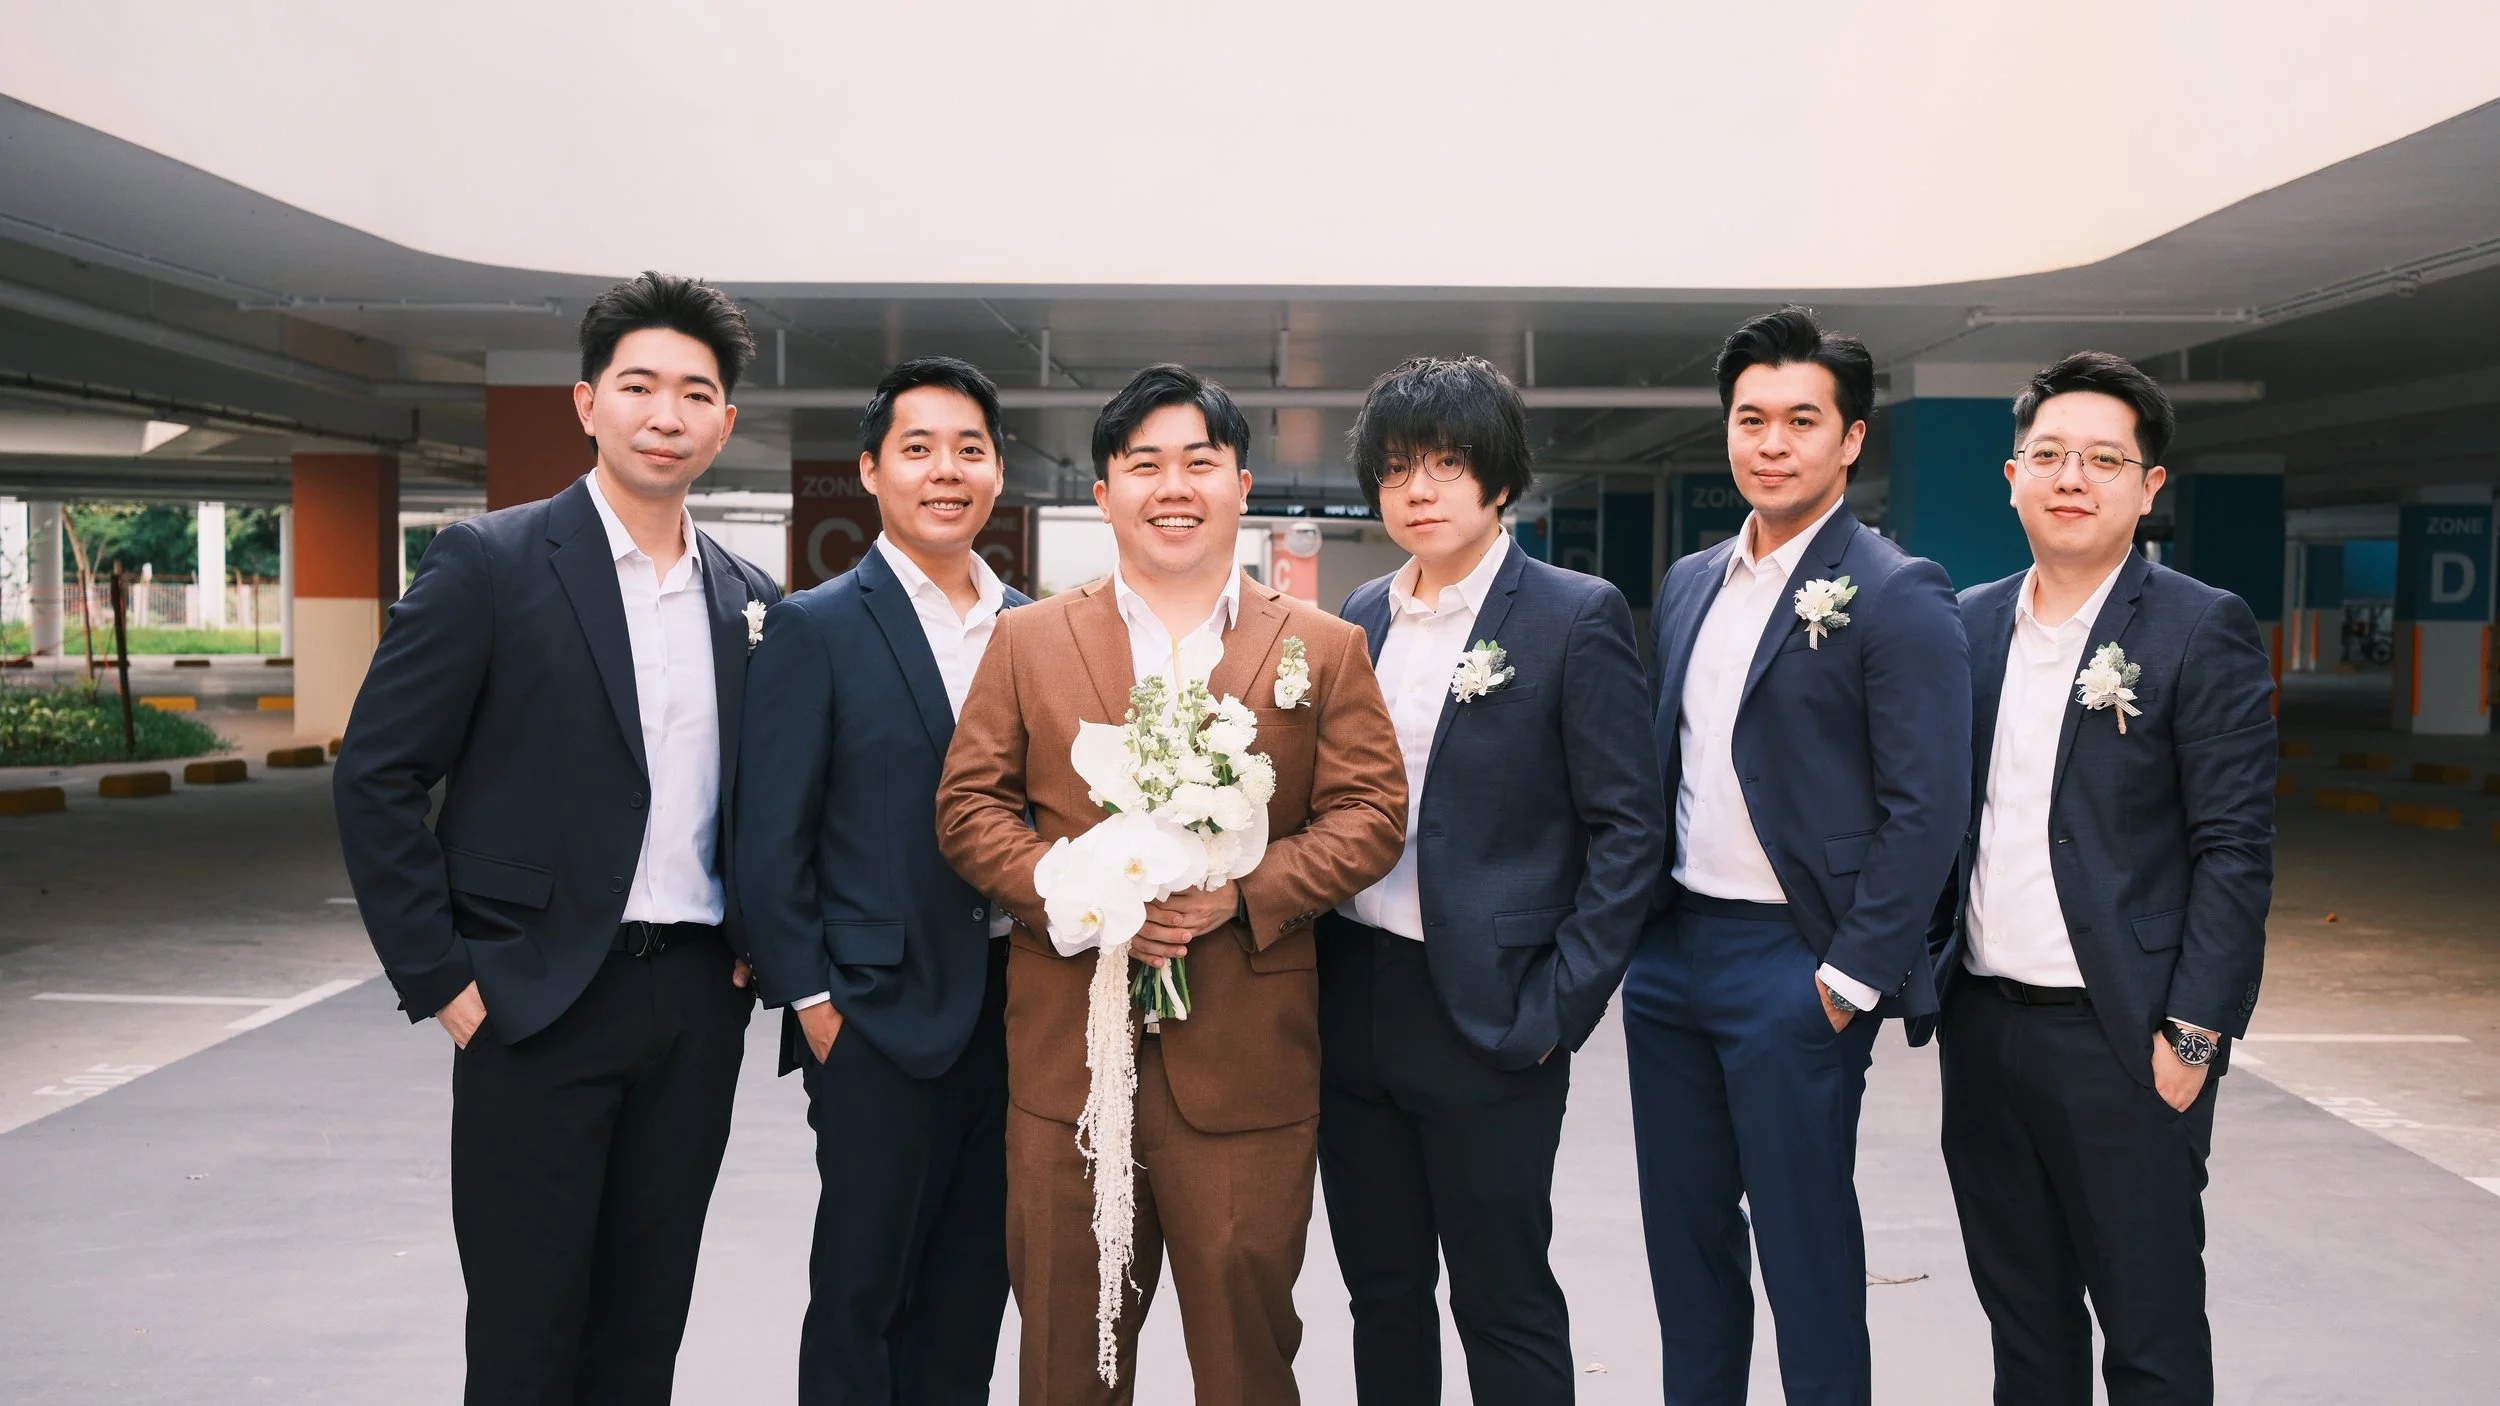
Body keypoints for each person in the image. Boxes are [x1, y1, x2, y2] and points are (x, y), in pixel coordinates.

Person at [333, 271, 779, 1405]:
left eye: (694, 392)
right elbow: (379, 773)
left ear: (725, 422)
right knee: (528, 1338)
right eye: (639, 386)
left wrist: (757, 946)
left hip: (691, 1002)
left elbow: (773, 796)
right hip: (530, 1001)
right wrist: (444, 978)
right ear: (587, 403)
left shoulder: (751, 598)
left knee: (642, 1332)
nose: (664, 413)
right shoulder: (488, 564)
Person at [935, 363, 1406, 1406]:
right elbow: (969, 808)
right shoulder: (1028, 640)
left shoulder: (1320, 648)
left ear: (1243, 485)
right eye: (1142, 463)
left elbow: (1371, 813)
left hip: (1246, 1065)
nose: (1173, 485)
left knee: (1245, 1353)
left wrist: (1243, 890)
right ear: (1102, 493)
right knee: (1069, 1352)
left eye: (1200, 460)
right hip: (1070, 1067)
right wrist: (1077, 888)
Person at [1624, 307, 1971, 1405]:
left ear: (1850, 439)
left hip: (1796, 963)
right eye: (1750, 418)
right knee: (1684, 1248)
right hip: (1674, 955)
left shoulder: (1895, 587)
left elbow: (1929, 805)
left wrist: (1848, 978)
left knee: (1804, 1250)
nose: (1771, 443)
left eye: (1800, 421)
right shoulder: (1688, 581)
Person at [1921, 352, 2272, 1405]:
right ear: (2012, 474)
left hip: (2125, 1041)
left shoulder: (2198, 625)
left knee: (2149, 1329)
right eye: (2050, 455)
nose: (2072, 476)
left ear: (2147, 486)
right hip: (1983, 1030)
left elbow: (2233, 846)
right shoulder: (1969, 621)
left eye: (2103, 459)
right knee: (2022, 1326)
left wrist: (2194, 1035)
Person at [1322, 356, 1666, 1405]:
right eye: (1394, 470)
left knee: (1500, 1292)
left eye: (1445, 464)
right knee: (1379, 1288)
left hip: (1491, 1006)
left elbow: (1627, 829)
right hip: (1350, 994)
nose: (1417, 490)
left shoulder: (1572, 613)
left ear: (1500, 480)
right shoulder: (1362, 611)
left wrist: (1558, 1003)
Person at [736, 356, 1027, 1404]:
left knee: (970, 1287)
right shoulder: (816, 625)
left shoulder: (1037, 625)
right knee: (862, 1291)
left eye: (968, 448)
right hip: (873, 1012)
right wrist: (813, 1003)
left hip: (1016, 1012)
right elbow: (768, 838)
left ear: (998, 471)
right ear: (868, 470)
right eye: (917, 448)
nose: (945, 470)